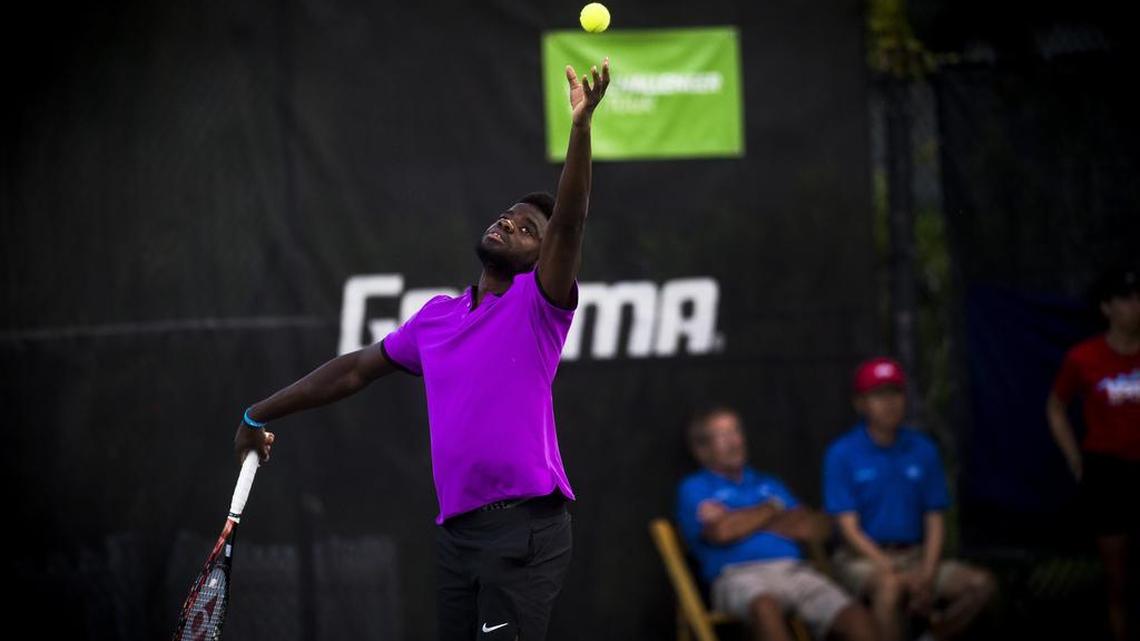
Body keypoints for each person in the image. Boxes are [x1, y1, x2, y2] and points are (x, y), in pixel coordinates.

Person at [231, 58, 611, 640]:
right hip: (457, 537)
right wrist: (258, 413)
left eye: (527, 229)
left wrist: (580, 128)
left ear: (542, 256)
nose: (509, 225)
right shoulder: (437, 318)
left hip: (525, 529)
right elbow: (353, 371)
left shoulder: (539, 305)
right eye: (507, 217)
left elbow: (569, 224)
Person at [824, 358, 995, 641]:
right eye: (878, 395)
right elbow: (849, 529)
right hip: (863, 559)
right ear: (860, 404)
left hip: (916, 555)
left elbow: (935, 518)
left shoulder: (924, 450)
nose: (889, 403)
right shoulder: (841, 453)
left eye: (895, 393)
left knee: (981, 585)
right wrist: (891, 568)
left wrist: (927, 573)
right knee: (890, 586)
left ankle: (934, 635)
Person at [676, 407, 876, 641]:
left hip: (794, 570)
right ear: (702, 450)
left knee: (857, 618)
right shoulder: (694, 488)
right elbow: (721, 532)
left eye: (736, 432)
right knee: (765, 607)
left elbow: (816, 529)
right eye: (723, 435)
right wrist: (772, 510)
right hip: (739, 576)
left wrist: (738, 519)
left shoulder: (769, 483)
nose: (735, 442)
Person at [1046, 266, 1140, 641]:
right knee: (1117, 578)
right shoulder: (1083, 358)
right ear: (1107, 308)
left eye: (1139, 297)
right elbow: (1055, 406)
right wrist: (1075, 458)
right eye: (1126, 299)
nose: (1136, 306)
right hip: (1108, 473)